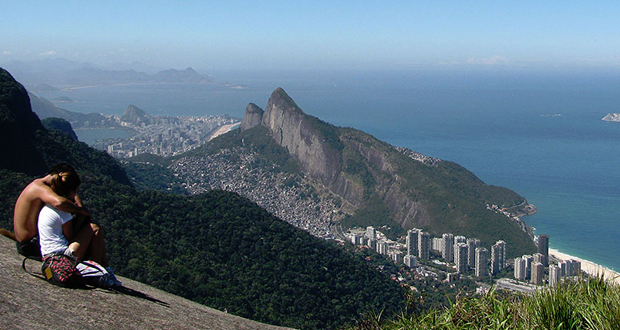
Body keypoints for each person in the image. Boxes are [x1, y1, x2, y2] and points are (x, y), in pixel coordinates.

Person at [35, 165, 121, 286]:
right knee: (95, 228)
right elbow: (70, 237)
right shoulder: (63, 212)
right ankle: (98, 269)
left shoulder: (48, 207)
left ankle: (100, 269)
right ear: (71, 191)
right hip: (62, 256)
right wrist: (81, 217)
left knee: (92, 229)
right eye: (75, 191)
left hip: (49, 257)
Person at [13, 164, 92, 260]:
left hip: (27, 242)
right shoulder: (39, 187)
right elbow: (59, 203)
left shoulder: (41, 185)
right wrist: (80, 210)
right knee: (85, 228)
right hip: (29, 245)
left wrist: (79, 204)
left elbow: (70, 197)